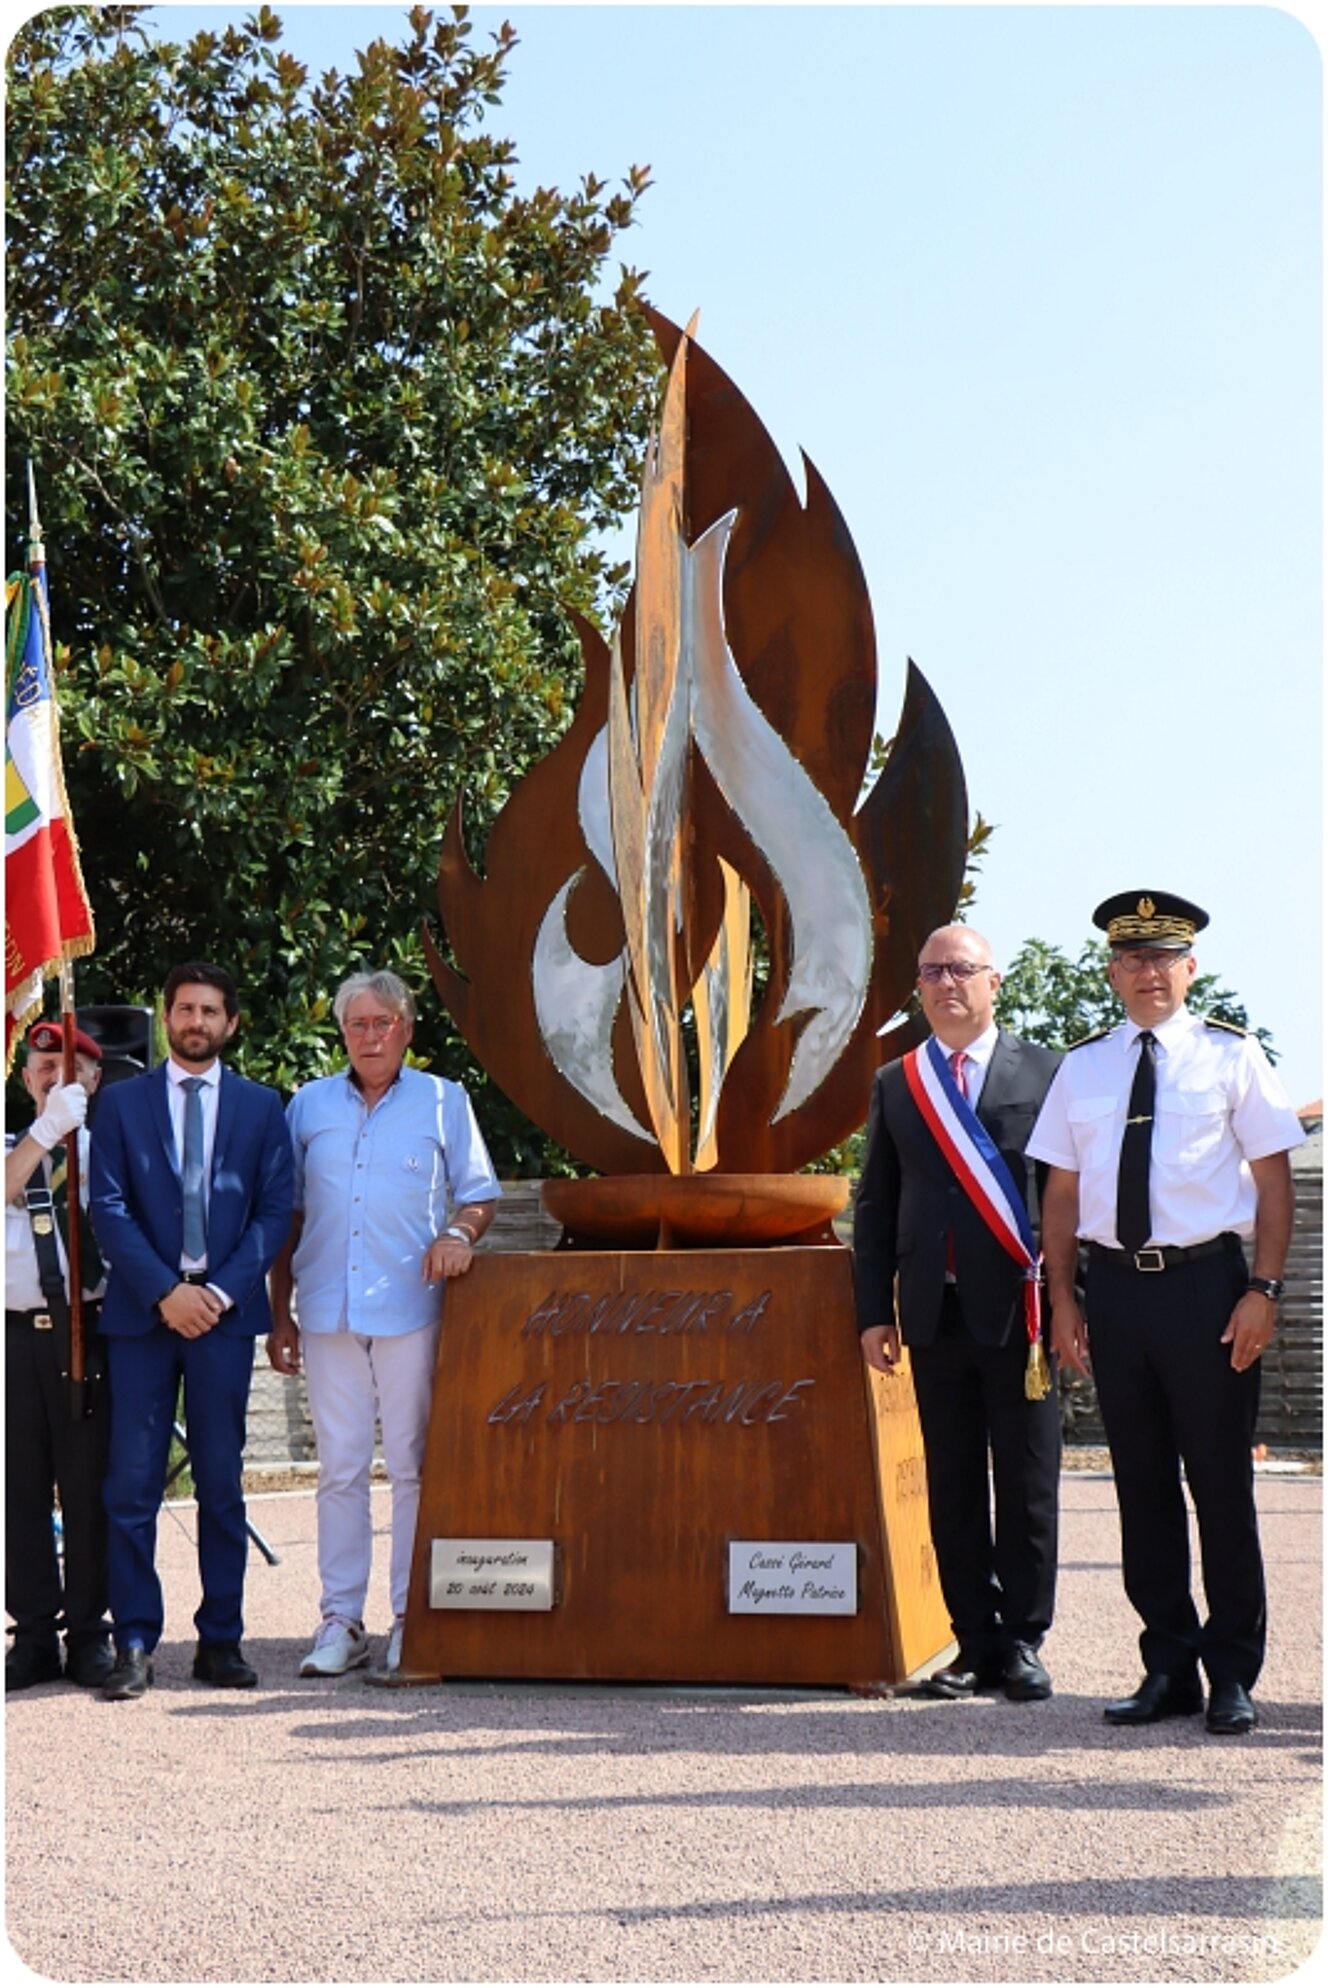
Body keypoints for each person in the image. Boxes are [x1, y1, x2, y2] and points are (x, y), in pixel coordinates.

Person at [1028, 892, 1303, 1736]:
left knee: (1221, 1487)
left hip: (1208, 1291)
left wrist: (1264, 1291)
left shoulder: (1232, 1058)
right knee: (1142, 1487)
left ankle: (1232, 1673)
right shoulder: (1083, 1067)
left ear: (1191, 967)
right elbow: (1063, 1194)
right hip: (1115, 1294)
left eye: (1164, 957)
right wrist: (1063, 1298)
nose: (1148, 973)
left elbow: (1274, 1184)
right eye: (1132, 958)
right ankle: (1168, 1667)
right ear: (1112, 971)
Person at [267, 971, 500, 1680]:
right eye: (356, 1025)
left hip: (411, 1311)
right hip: (329, 1310)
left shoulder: (443, 1100)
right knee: (338, 1469)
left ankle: (411, 1619)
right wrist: (281, 1315)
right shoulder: (306, 1106)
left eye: (382, 1023)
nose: (369, 1036)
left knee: (412, 1465)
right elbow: (288, 1215)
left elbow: (479, 1193)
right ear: (343, 1033)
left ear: (406, 1029)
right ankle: (340, 1620)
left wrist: (458, 1234)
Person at [853, 923, 1062, 1702]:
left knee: (1029, 1480)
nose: (947, 983)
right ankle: (973, 1641)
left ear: (994, 980)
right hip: (930, 1314)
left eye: (962, 969)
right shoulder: (898, 1081)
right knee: (952, 1484)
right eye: (932, 970)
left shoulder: (1047, 1073)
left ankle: (1024, 1642)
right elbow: (875, 1204)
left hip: (1021, 1316)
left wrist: (1074, 1303)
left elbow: (1068, 1200)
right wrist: (874, 1312)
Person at [89, 962, 294, 1701]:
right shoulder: (119, 1104)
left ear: (230, 1023)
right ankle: (135, 1642)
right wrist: (165, 1293)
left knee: (221, 1484)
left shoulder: (262, 1106)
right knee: (131, 1483)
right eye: (183, 1009)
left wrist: (214, 1294)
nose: (195, 1021)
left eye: (210, 1010)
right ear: (166, 1016)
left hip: (223, 1322)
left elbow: (275, 1212)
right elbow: (107, 1208)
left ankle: (221, 1641)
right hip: (144, 1320)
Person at [6, 1020, 112, 1690]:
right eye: (42, 1066)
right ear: (24, 1080)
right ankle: (34, 1636)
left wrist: (69, 1140)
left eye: (69, 1067)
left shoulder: (111, 1153)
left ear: (93, 1082)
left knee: (88, 1488)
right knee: (17, 1492)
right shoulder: (8, 1149)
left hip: (89, 1332)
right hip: (14, 1337)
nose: (54, 1076)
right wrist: (44, 1135)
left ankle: (89, 1633)